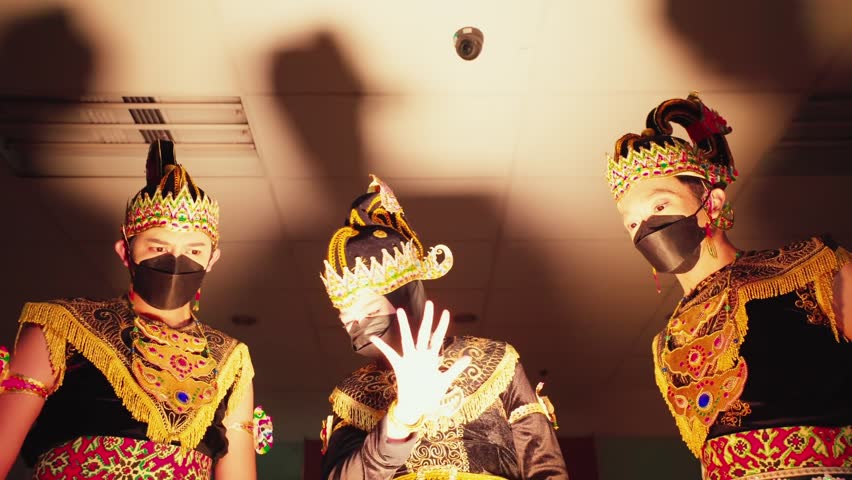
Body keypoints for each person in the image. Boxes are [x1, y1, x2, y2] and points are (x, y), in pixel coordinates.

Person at [606, 92, 852, 479]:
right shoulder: (667, 341)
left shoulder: (813, 267)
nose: (645, 229)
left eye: (659, 206)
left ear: (713, 203)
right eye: (632, 223)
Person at [0, 139, 271, 479]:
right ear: (125, 251)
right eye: (158, 247)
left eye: (194, 251)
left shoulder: (230, 361)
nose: (176, 260)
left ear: (212, 259)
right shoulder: (62, 326)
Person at [318, 175, 569, 480]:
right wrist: (400, 420)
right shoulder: (353, 394)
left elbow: (546, 469)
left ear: (407, 298)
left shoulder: (496, 361)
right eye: (348, 322)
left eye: (371, 311)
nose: (360, 329)